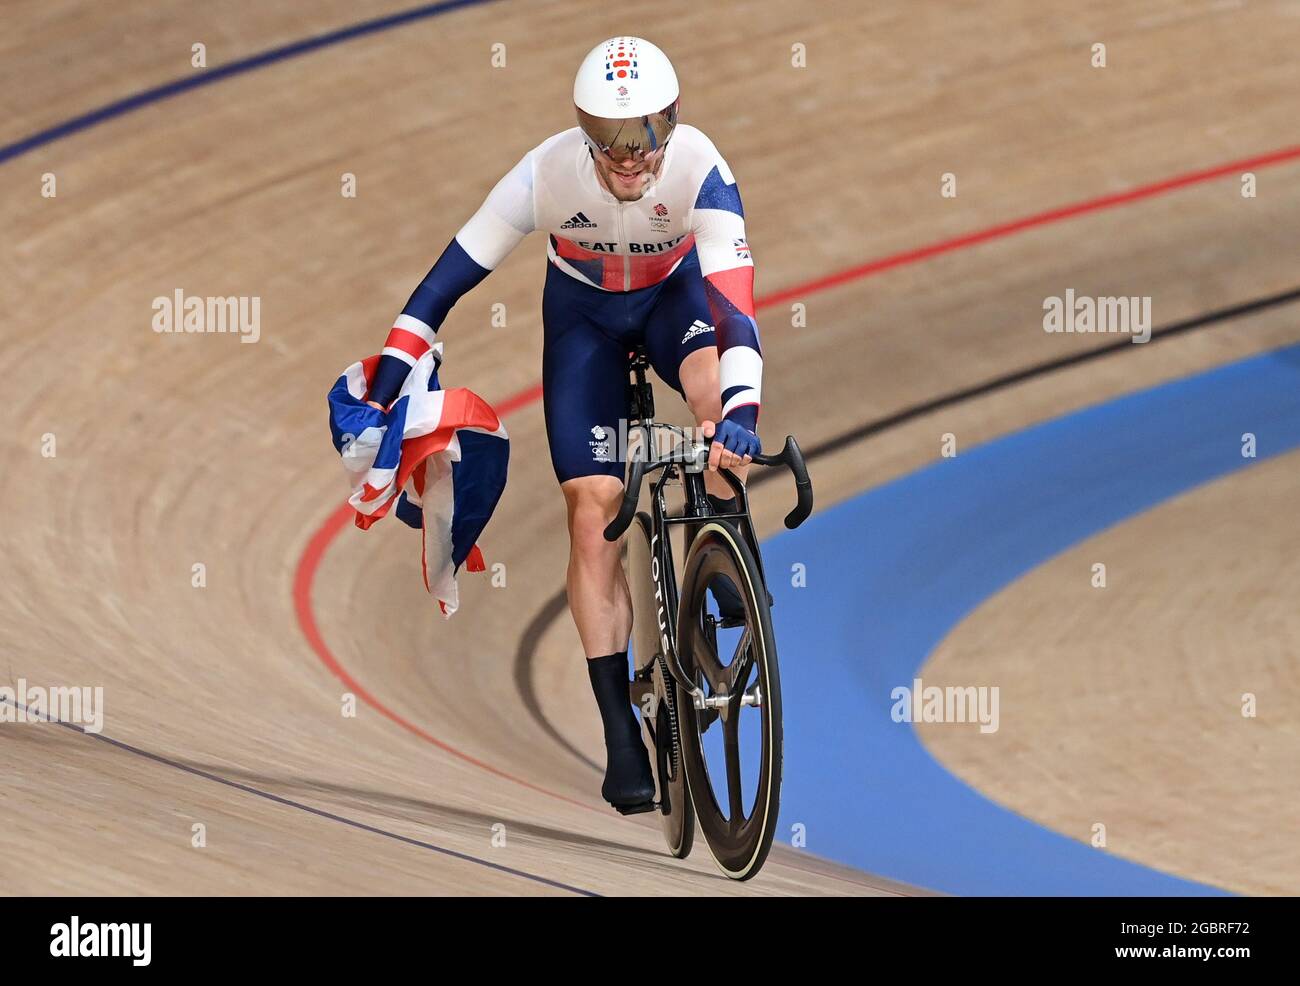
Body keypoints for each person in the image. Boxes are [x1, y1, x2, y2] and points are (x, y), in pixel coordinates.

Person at [365, 37, 763, 813]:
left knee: (719, 400)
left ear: (672, 122)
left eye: (645, 131)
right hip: (582, 323)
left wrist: (740, 417)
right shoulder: (544, 173)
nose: (628, 154)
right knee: (591, 511)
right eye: (608, 136)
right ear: (583, 131)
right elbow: (436, 292)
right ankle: (620, 732)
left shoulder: (700, 170)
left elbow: (737, 313)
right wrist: (384, 386)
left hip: (672, 305)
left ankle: (726, 547)